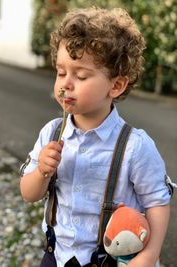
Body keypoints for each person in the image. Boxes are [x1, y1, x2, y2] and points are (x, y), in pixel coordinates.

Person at [20, 7, 174, 267]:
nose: (66, 83)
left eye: (80, 75)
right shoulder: (51, 133)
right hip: (57, 256)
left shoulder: (134, 147)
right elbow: (28, 193)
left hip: (112, 260)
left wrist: (150, 255)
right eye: (60, 72)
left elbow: (157, 202)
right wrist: (42, 173)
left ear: (116, 86)